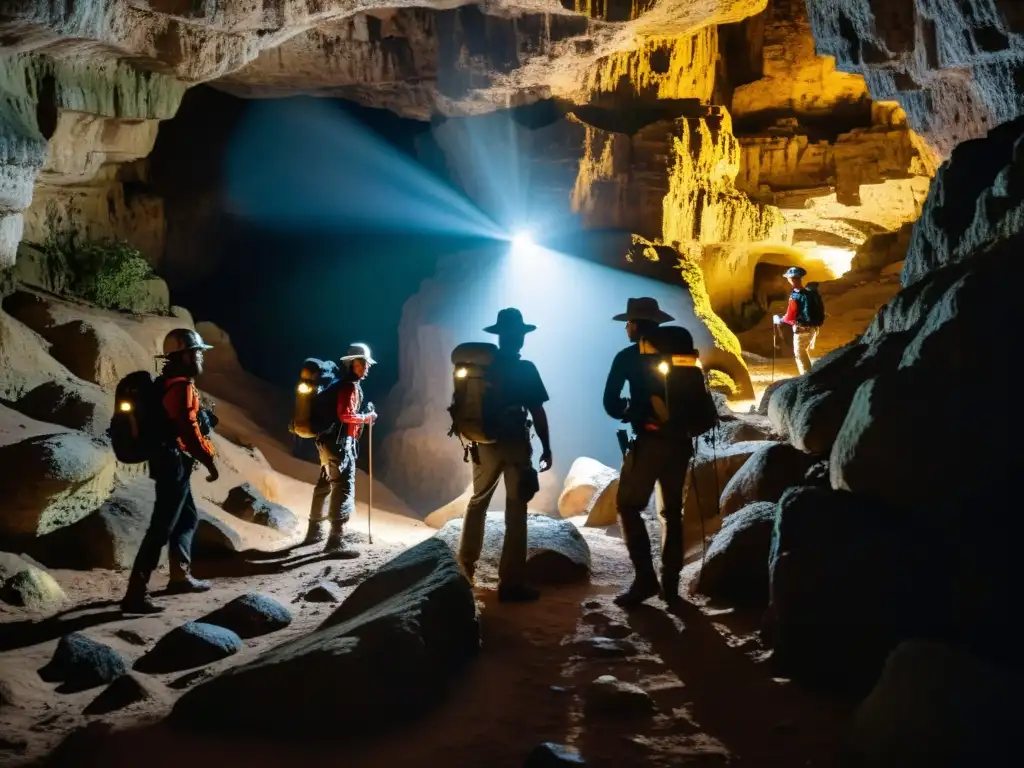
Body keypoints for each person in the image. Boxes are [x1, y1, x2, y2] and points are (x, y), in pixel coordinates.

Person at [121, 328, 220, 614]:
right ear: (184, 355)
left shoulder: (167, 383)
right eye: (198, 352)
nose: (201, 356)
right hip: (173, 462)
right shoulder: (181, 388)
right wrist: (210, 460)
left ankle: (180, 575)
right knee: (162, 526)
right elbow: (188, 430)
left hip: (169, 460)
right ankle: (135, 593)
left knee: (187, 517)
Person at [457, 308, 553, 603]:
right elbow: (537, 410)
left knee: (478, 503)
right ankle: (511, 583)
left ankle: (463, 574)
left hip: (483, 444)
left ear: (498, 336)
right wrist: (547, 447)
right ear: (520, 337)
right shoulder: (525, 369)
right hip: (514, 442)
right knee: (516, 511)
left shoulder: (483, 367)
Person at [603, 297, 693, 607]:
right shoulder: (681, 353)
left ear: (637, 325)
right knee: (672, 513)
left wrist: (630, 409)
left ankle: (645, 580)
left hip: (650, 440)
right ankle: (671, 587)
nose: (625, 327)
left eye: (628, 322)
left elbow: (610, 404)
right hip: (681, 441)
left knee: (628, 506)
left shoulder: (627, 357)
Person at [304, 343, 378, 556]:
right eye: (362, 363)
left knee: (325, 483)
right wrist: (366, 418)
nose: (366, 367)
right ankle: (335, 541)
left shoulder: (338, 385)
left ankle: (314, 532)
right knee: (343, 485)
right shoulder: (348, 386)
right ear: (351, 364)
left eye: (366, 364)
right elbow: (345, 415)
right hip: (339, 444)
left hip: (326, 443)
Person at [773, 266, 818, 375]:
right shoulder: (808, 293)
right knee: (804, 352)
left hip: (801, 329)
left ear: (792, 279)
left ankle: (807, 378)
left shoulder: (795, 295)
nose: (788, 280)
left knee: (800, 354)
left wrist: (780, 320)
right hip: (812, 329)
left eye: (788, 278)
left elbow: (790, 316)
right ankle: (809, 375)